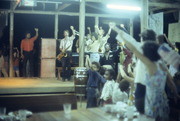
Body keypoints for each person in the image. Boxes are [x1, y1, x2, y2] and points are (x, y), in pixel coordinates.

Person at [110, 22, 179, 121]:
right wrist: (175, 93)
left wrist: (116, 29)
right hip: (161, 99)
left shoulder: (146, 56)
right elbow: (170, 79)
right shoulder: (161, 64)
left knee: (143, 116)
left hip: (147, 97)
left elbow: (132, 44)